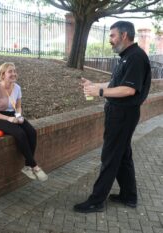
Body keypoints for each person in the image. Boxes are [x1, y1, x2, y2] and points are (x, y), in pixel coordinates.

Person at [73, 21, 151, 213]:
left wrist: (99, 92)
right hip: (119, 113)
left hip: (123, 115)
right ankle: (128, 196)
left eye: (112, 35)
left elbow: (128, 89)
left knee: (110, 157)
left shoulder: (136, 57)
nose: (110, 40)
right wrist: (96, 85)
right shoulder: (126, 56)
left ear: (124, 35)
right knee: (123, 155)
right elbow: (116, 83)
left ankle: (96, 200)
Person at [0, 62, 48, 181]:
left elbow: (18, 106)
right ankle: (34, 166)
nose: (14, 74)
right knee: (20, 134)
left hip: (13, 115)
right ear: (3, 74)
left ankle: (26, 166)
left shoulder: (17, 88)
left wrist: (19, 116)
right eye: (10, 71)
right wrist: (9, 119)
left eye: (15, 71)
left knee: (31, 132)